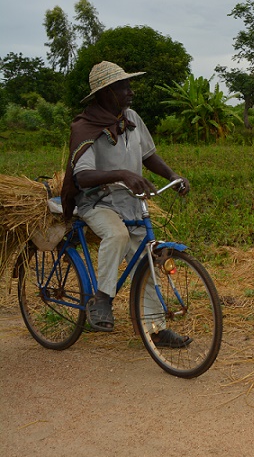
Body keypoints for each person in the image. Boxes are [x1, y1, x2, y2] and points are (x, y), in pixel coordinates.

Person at [59, 61, 192, 348]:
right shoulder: (86, 127)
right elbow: (82, 176)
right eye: (123, 87)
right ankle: (102, 300)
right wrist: (121, 174)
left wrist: (172, 176)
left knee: (148, 264)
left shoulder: (131, 118)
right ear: (105, 92)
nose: (130, 92)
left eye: (129, 86)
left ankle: (156, 330)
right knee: (117, 234)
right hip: (98, 202)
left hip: (131, 203)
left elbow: (148, 155)